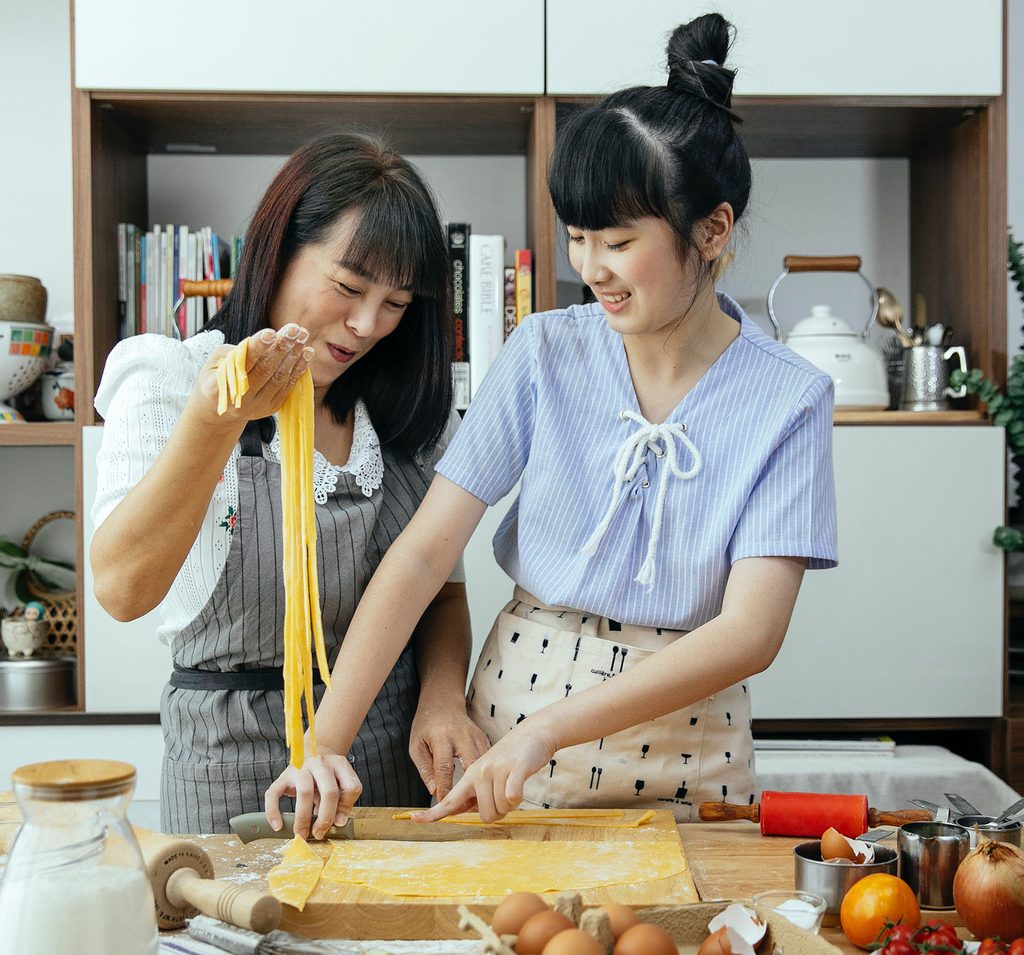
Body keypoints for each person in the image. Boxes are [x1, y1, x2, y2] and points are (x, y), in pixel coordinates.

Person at [266, 12, 838, 832]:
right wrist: (326, 742)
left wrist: (550, 730)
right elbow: (425, 550)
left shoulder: (789, 397)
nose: (590, 269)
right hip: (507, 737)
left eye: (617, 241)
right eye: (577, 238)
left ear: (711, 231)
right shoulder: (544, 351)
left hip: (689, 752)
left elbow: (750, 630)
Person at [91, 130, 490, 835]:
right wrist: (217, 421)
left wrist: (439, 697)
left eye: (397, 303)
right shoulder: (168, 377)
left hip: (383, 765)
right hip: (225, 768)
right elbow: (122, 589)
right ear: (277, 250)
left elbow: (440, 589)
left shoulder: (407, 415)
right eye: (347, 287)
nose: (367, 325)